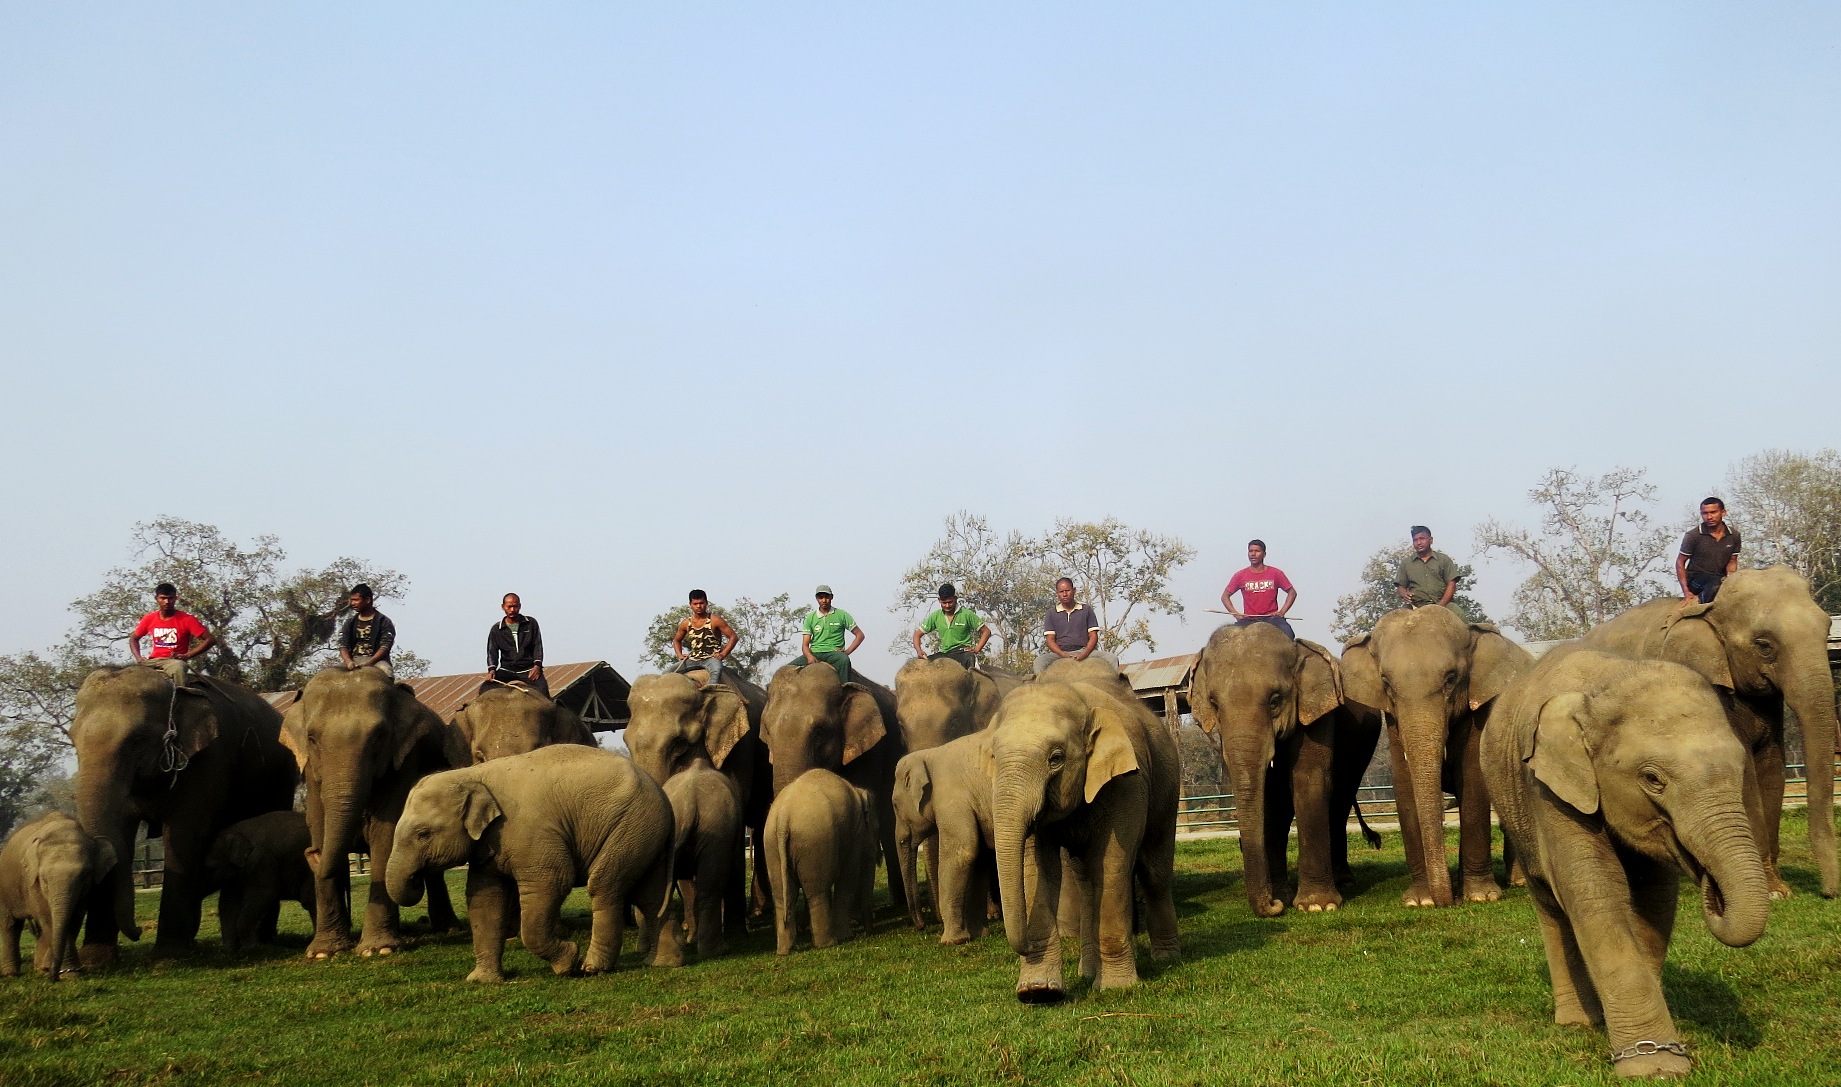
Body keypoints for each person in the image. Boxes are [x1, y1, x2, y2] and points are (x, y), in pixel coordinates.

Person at [129, 582, 215, 686]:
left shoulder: (187, 619)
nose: (167, 602)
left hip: (173, 661)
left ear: (175, 598)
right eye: (163, 598)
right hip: (153, 661)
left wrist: (187, 655)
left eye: (170, 598)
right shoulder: (149, 618)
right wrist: (139, 658)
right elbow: (133, 638)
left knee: (178, 668)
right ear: (156, 598)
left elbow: (210, 640)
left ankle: (181, 696)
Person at [1036, 577, 1113, 674]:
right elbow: (1050, 640)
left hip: (1084, 651)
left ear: (1074, 591)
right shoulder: (1051, 613)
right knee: (1039, 662)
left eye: (1067, 590)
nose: (1064, 594)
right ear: (1057, 594)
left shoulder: (1086, 610)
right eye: (1061, 591)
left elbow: (1093, 636)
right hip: (1059, 653)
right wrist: (1063, 654)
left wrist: (1084, 653)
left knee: (1111, 658)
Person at [1222, 539, 1296, 638]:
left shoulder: (1276, 573)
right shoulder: (1240, 575)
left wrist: (1282, 612)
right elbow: (1225, 596)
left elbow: (1292, 592)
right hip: (1248, 619)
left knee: (1289, 633)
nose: (1253, 554)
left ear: (1264, 554)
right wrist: (1236, 615)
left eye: (1257, 551)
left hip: (1272, 618)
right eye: (1250, 551)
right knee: (1230, 638)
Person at [1678, 497, 1742, 604]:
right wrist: (1686, 592)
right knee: (1715, 585)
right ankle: (1700, 608)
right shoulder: (1693, 535)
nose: (1709, 517)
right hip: (1696, 578)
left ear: (1723, 512)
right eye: (1705, 513)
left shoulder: (1734, 535)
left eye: (1713, 512)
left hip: (1720, 578)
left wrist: (1731, 580)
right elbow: (1680, 562)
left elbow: (1732, 561)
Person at [912, 583, 990, 670]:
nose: (947, 606)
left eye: (950, 602)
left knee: (973, 669)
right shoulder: (936, 616)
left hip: (962, 653)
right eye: (944, 603)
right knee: (922, 666)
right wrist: (919, 651)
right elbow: (917, 634)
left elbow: (986, 631)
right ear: (939, 600)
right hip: (944, 654)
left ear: (955, 598)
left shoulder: (966, 614)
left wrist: (977, 648)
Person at [669, 589, 738, 683]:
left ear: (706, 603)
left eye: (701, 603)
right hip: (693, 659)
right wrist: (680, 655)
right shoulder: (686, 623)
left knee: (716, 671)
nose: (699, 606)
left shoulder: (715, 620)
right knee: (667, 672)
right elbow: (676, 640)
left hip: (711, 659)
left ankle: (711, 691)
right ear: (690, 605)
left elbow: (733, 637)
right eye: (695, 603)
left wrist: (722, 654)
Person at [485, 592, 547, 695]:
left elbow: (537, 645)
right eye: (509, 607)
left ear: (520, 606)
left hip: (528, 670)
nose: (512, 610)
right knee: (485, 689)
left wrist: (537, 666)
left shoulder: (531, 623)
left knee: (544, 692)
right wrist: (491, 670)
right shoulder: (496, 629)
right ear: (503, 607)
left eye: (515, 606)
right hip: (506, 670)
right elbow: (492, 651)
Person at [800, 584, 864, 684]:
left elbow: (860, 635)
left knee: (844, 660)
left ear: (831, 597)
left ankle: (845, 690)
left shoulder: (841, 615)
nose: (824, 600)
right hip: (815, 652)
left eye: (827, 597)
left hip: (834, 653)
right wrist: (809, 656)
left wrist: (847, 652)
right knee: (786, 670)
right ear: (817, 598)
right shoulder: (810, 617)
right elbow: (805, 644)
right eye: (821, 597)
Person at [338, 583, 397, 677]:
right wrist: (349, 662)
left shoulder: (384, 621)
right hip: (354, 660)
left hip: (377, 661)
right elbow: (343, 645)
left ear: (368, 600)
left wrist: (370, 662)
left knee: (387, 672)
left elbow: (385, 647)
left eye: (356, 600)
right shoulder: (350, 622)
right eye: (352, 600)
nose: (352, 603)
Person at [1395, 526, 1459, 609]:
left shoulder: (1444, 560)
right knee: (1399, 619)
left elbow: (1451, 584)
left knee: (1459, 615)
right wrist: (1404, 594)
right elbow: (1400, 587)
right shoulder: (1406, 563)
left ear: (1431, 540)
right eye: (1415, 540)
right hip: (1415, 606)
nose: (1419, 543)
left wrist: (1441, 604)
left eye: (1422, 539)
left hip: (1443, 604)